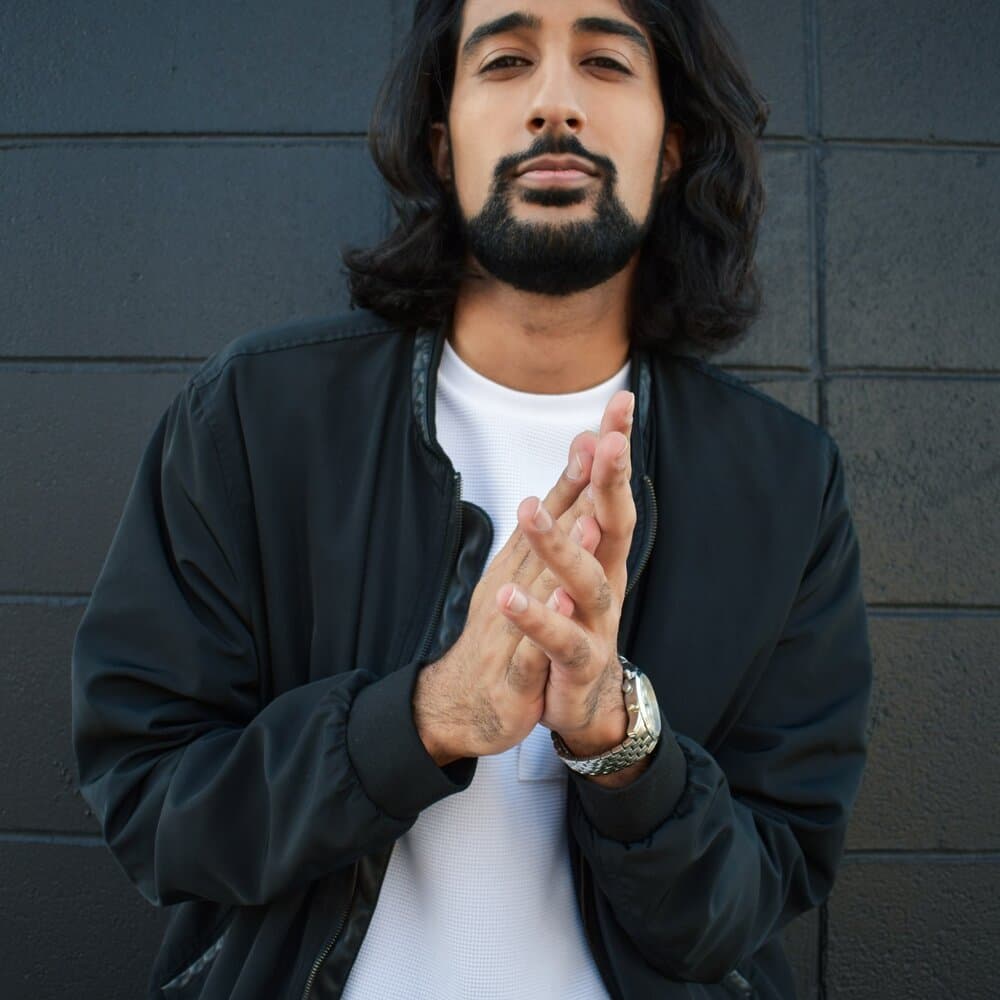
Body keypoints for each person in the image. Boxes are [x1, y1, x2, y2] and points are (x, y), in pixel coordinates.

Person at [70, 0, 873, 998]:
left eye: (605, 62)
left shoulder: (784, 483)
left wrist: (620, 742)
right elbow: (150, 802)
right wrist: (421, 719)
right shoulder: (255, 418)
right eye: (504, 60)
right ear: (441, 143)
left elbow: (759, 891)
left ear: (672, 146)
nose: (554, 103)